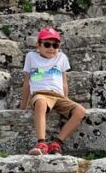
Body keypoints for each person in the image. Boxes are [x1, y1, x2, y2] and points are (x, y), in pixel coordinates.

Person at [20, 27, 86, 155]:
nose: (51, 48)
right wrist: (23, 106)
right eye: (47, 44)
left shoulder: (61, 57)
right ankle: (41, 143)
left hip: (58, 96)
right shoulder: (31, 57)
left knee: (80, 111)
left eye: (55, 45)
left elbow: (64, 82)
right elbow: (27, 82)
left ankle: (57, 143)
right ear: (38, 45)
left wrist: (66, 99)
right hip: (41, 94)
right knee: (40, 103)